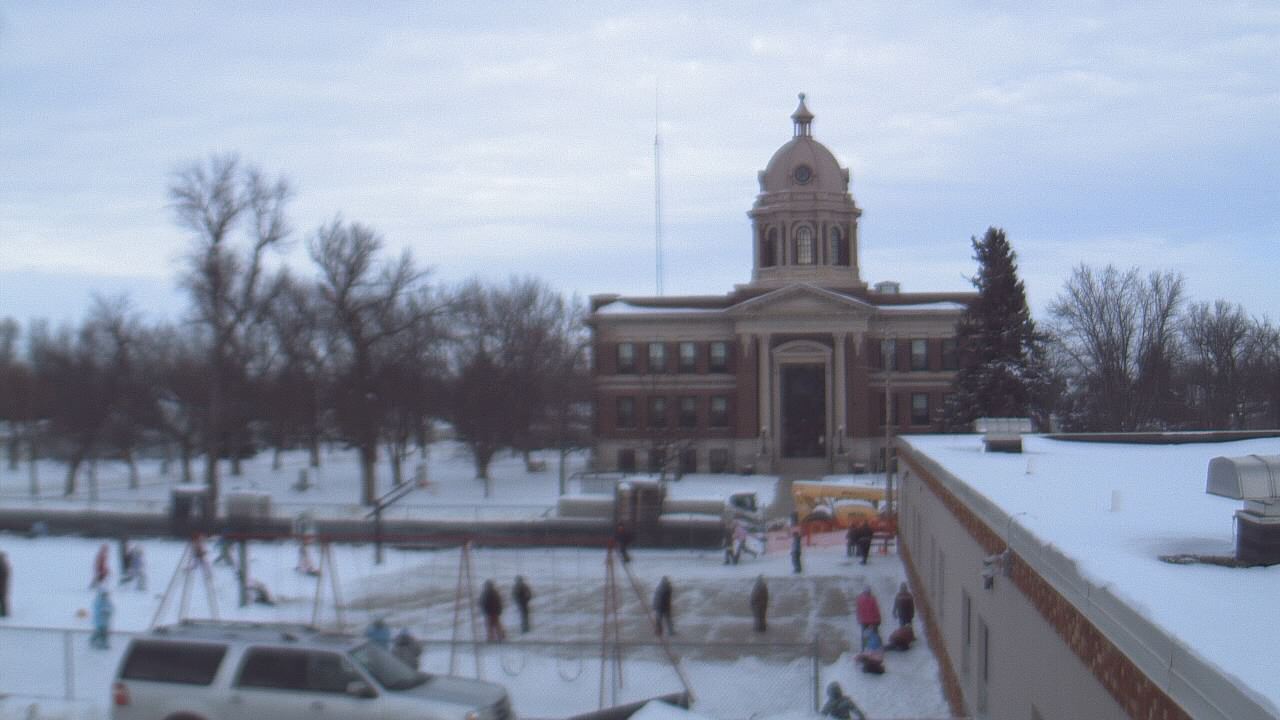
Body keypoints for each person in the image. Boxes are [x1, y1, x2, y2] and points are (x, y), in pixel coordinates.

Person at [0, 550, 10, 618]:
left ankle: (4, 613)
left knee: (3, 599)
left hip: (2, 586)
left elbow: (5, 575)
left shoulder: (3, 565)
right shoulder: (5, 565)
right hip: (3, 586)